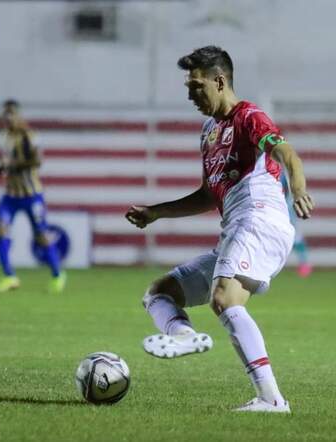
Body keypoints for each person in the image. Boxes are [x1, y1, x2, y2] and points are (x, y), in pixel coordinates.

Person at [126, 46, 314, 413]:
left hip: (260, 218)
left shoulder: (249, 117)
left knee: (225, 299)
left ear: (219, 80)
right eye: (188, 87)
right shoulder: (210, 131)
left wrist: (300, 188)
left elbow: (287, 154)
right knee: (159, 293)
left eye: (196, 86)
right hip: (236, 227)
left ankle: (271, 399)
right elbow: (210, 194)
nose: (190, 95)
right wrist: (156, 213)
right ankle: (183, 335)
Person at [0, 99, 66, 293]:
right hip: (10, 196)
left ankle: (58, 275)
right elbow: (5, 160)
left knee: (41, 236)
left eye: (11, 114)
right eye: (5, 114)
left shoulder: (29, 136)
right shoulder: (5, 136)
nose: (7, 118)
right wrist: (1, 168)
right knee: (0, 229)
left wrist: (12, 165)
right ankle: (10, 276)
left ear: (18, 115)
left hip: (31, 195)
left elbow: (37, 161)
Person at [280, 173, 312, 277]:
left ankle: (304, 264)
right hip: (276, 204)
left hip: (284, 204)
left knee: (296, 237)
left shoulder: (281, 173)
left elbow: (287, 188)